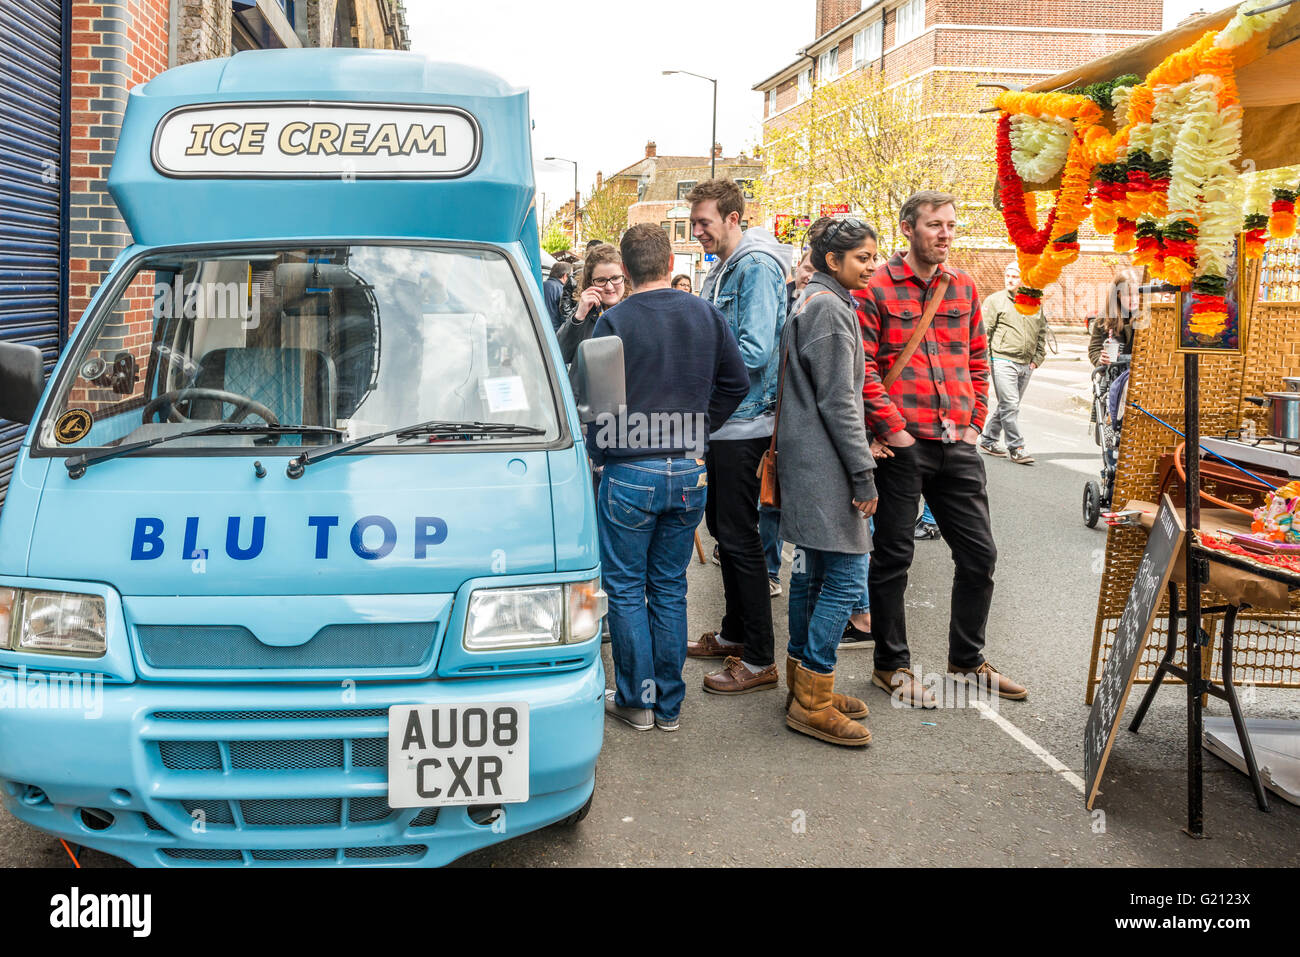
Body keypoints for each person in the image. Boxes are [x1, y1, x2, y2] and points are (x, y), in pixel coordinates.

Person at [856, 190, 1027, 708]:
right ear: (907, 228)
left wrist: (976, 426)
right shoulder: (876, 287)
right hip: (904, 447)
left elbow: (979, 358)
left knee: (980, 555)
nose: (945, 234)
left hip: (958, 443)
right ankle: (891, 665)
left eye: (951, 225)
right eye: (934, 225)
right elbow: (862, 367)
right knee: (893, 558)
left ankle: (967, 661)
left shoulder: (964, 286)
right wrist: (897, 430)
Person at [591, 224, 748, 732]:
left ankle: (637, 700)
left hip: (629, 468)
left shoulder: (614, 321)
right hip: (687, 467)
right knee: (668, 586)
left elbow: (597, 402)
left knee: (626, 588)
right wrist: (702, 428)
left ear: (629, 269)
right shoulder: (705, 314)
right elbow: (737, 382)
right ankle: (669, 706)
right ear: (667, 263)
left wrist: (601, 450)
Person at [682, 179, 790, 696]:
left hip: (744, 422)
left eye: (704, 221)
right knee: (726, 530)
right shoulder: (724, 266)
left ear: (732, 217)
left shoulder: (756, 265)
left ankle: (762, 658)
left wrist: (695, 382)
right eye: (694, 222)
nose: (696, 230)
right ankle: (734, 633)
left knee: (739, 537)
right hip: (725, 422)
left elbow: (754, 350)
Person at [779, 216, 880, 746]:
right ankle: (812, 699)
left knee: (812, 573)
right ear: (833, 260)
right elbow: (840, 401)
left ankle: (805, 683)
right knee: (845, 575)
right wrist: (864, 474)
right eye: (863, 257)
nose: (872, 265)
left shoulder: (814, 301)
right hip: (826, 467)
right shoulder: (831, 312)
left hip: (808, 460)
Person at [761, 248, 817, 598]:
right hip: (774, 414)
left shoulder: (829, 305)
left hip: (806, 420)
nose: (808, 275)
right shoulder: (778, 300)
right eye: (805, 268)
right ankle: (770, 570)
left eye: (814, 270)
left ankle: (804, 576)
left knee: (802, 508)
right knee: (770, 500)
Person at [979, 262, 1047, 465]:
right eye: (1007, 275)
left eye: (1014, 276)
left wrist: (1037, 359)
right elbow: (984, 333)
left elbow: (1042, 332)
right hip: (1002, 359)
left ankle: (989, 440)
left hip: (1026, 363)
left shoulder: (1034, 303)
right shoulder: (995, 301)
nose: (1009, 279)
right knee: (1010, 405)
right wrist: (987, 361)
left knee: (1009, 405)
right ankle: (1016, 447)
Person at [556, 244, 626, 364]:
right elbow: (559, 355)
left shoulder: (636, 310)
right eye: (601, 280)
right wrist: (578, 318)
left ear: (625, 277)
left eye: (615, 278)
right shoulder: (584, 313)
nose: (609, 287)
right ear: (590, 282)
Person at [1088, 273, 1141, 366]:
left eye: (1137, 294)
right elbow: (1094, 349)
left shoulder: (1148, 317)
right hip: (1114, 375)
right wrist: (1101, 360)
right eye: (1128, 295)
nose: (1134, 299)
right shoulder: (1104, 319)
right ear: (1117, 294)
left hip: (1141, 375)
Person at [543, 261, 572, 331]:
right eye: (571, 276)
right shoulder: (563, 290)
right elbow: (565, 316)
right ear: (565, 276)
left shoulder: (540, 285)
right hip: (555, 333)